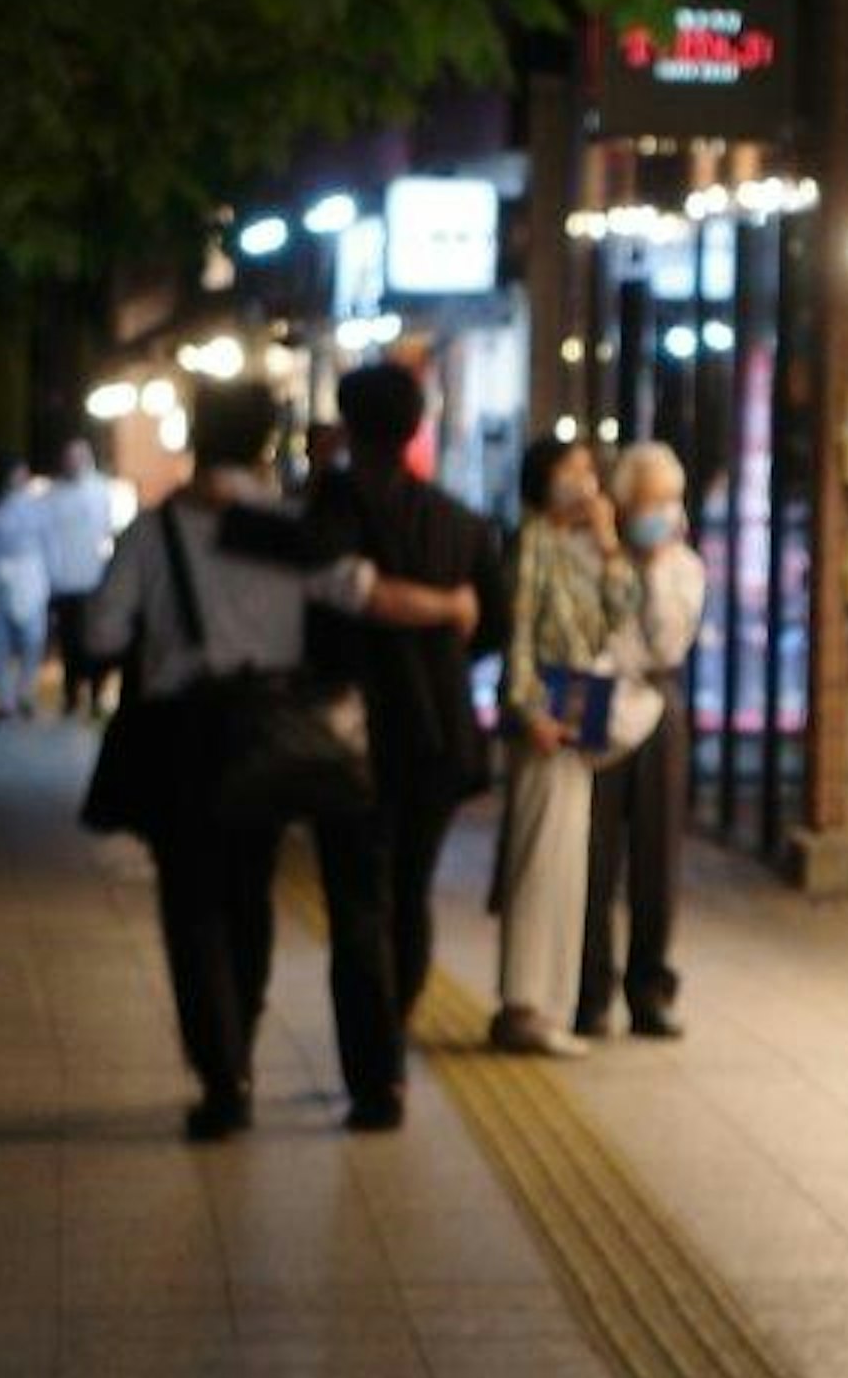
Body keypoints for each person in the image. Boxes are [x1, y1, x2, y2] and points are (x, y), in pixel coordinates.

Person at [78, 380, 479, 1141]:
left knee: (190, 908)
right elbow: (367, 595)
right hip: (268, 731)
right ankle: (263, 1051)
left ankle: (223, 1074)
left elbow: (100, 632)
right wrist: (454, 606)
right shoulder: (291, 526)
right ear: (268, 442)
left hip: (181, 736)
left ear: (194, 432)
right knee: (248, 895)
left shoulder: (154, 532)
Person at [286, 361, 512, 1129]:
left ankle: (375, 1079)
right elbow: (496, 626)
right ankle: (396, 1033)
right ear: (417, 426)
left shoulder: (326, 511)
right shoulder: (462, 521)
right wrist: (446, 629)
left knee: (357, 903)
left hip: (345, 739)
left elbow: (315, 602)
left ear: (348, 426)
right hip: (441, 736)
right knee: (409, 893)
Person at [491, 435, 638, 1058]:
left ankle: (550, 1003)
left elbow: (621, 611)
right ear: (544, 478)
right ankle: (523, 1005)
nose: (585, 480)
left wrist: (608, 543)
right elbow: (518, 630)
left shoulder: (580, 550)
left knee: (568, 865)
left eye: (588, 469)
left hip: (581, 714)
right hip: (546, 722)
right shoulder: (531, 542)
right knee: (538, 861)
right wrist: (528, 711)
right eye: (572, 469)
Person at [579, 440, 706, 1041]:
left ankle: (650, 990)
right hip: (598, 705)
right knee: (592, 859)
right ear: (623, 502)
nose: (660, 511)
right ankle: (589, 991)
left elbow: (665, 643)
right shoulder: (594, 553)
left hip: (656, 705)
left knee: (656, 862)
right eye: (648, 500)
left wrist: (651, 566)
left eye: (669, 501)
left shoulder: (683, 567)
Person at [34, 437, 122, 717]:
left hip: (93, 579)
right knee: (70, 642)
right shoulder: (53, 495)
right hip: (64, 582)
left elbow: (107, 530)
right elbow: (46, 538)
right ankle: (72, 694)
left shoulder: (100, 491)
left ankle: (96, 692)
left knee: (94, 639)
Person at [0, 462, 59, 720]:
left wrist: (53, 580)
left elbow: (49, 544)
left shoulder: (39, 507)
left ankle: (25, 693)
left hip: (32, 578)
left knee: (33, 639)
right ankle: (4, 701)